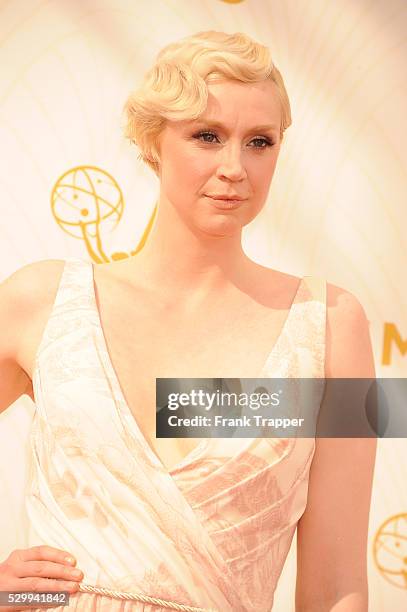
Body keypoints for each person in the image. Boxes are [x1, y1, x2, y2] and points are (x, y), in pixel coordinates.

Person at [0, 30, 376, 612]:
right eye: (207, 136)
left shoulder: (330, 324)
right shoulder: (38, 300)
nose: (234, 167)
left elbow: (336, 586)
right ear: (153, 142)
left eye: (259, 141)